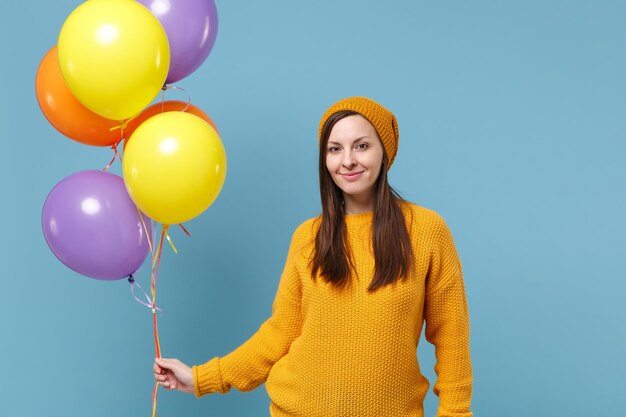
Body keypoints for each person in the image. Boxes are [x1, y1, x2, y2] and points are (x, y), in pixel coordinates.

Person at [153, 97, 473, 417]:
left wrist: (455, 412)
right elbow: (279, 335)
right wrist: (201, 379)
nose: (347, 160)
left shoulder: (427, 231)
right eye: (335, 149)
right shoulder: (308, 237)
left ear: (384, 151)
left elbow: (451, 336)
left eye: (361, 146)